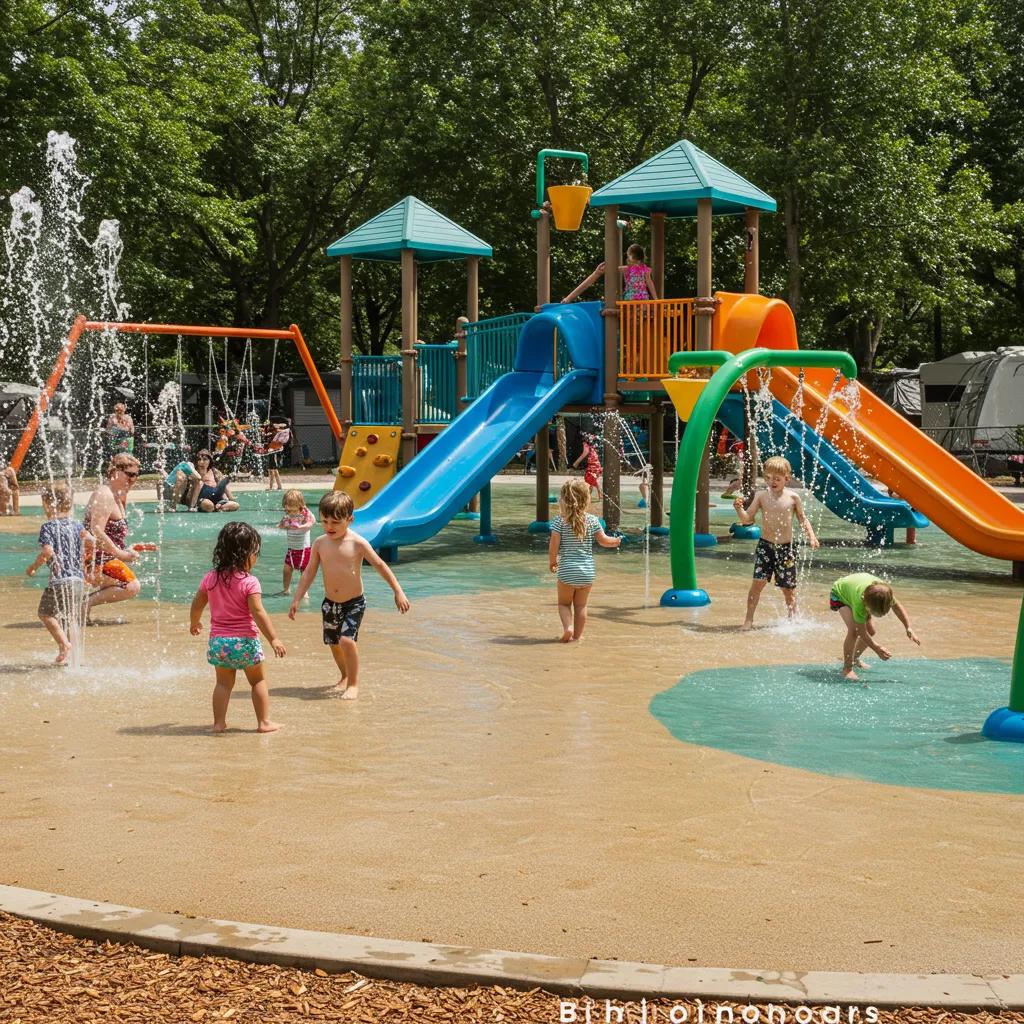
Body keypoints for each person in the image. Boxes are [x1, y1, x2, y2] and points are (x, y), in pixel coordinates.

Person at [288, 491, 410, 700]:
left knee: (346, 640)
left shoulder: (358, 543)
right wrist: (297, 598)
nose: (329, 527)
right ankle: (344, 676)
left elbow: (380, 565)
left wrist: (398, 591)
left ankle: (353, 684)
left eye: (335, 522)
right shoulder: (320, 543)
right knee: (334, 643)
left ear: (350, 519)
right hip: (330, 603)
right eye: (325, 521)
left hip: (354, 603)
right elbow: (309, 572)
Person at [190, 521, 284, 733]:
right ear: (245, 555)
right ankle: (264, 722)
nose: (256, 557)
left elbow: (197, 603)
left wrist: (194, 622)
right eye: (255, 553)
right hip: (245, 641)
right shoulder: (250, 582)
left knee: (223, 684)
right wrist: (274, 638)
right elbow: (258, 612)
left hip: (219, 642)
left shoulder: (210, 578)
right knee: (257, 680)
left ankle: (218, 723)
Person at [732, 455, 819, 629]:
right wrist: (739, 509)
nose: (772, 482)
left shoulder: (793, 498)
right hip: (766, 546)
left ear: (787, 478)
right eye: (768, 478)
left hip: (786, 549)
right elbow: (747, 520)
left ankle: (793, 621)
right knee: (757, 584)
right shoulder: (761, 496)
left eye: (777, 479)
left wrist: (811, 535)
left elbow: (802, 519)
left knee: (788, 589)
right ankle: (748, 620)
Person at [26, 481, 94, 665]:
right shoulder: (77, 525)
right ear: (70, 503)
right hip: (78, 580)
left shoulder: (48, 527)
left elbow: (47, 552)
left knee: (45, 614)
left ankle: (64, 645)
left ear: (47, 504)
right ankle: (73, 656)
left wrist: (33, 567)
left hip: (60, 581)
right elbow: (91, 542)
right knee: (68, 617)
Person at [548, 478, 621, 643]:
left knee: (564, 604)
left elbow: (553, 546)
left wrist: (552, 562)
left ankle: (568, 628)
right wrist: (615, 541)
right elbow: (604, 541)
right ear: (586, 499)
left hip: (567, 571)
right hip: (587, 572)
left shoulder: (559, 521)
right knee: (581, 606)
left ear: (563, 500)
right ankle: (577, 637)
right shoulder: (593, 520)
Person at [829, 573, 920, 680]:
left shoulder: (885, 595)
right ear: (865, 603)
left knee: (871, 631)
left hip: (853, 589)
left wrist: (908, 627)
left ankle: (854, 658)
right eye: (873, 612)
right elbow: (861, 631)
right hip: (839, 595)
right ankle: (847, 669)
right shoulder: (859, 604)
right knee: (853, 631)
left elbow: (897, 607)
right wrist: (876, 648)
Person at [84, 453, 142, 620]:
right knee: (131, 585)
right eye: (130, 474)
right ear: (115, 472)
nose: (134, 479)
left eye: (136, 475)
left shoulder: (118, 495)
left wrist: (126, 549)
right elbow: (96, 530)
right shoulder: (105, 494)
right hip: (90, 560)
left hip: (104, 557)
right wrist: (120, 554)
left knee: (129, 584)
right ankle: (83, 604)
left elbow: (111, 535)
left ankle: (82, 606)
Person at [276, 488, 315, 596]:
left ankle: (305, 592)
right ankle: (286, 589)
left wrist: (300, 527)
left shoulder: (305, 514)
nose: (288, 508)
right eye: (286, 505)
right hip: (291, 549)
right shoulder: (288, 515)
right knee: (286, 570)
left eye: (291, 505)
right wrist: (282, 526)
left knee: (304, 572)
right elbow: (281, 525)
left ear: (300, 504)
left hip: (304, 549)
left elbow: (311, 523)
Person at [572, 434, 603, 499]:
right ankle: (589, 496)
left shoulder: (585, 444)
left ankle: (598, 495)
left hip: (593, 465)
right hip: (596, 465)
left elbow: (584, 454)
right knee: (591, 481)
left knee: (590, 479)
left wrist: (576, 462)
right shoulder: (592, 446)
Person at [265, 419, 291, 491]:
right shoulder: (272, 433)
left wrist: (276, 426)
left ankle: (272, 487)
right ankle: (278, 486)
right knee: (273, 470)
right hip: (271, 451)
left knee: (272, 470)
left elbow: (284, 425)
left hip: (273, 452)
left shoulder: (277, 432)